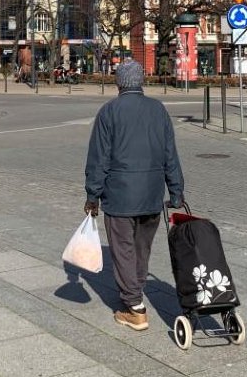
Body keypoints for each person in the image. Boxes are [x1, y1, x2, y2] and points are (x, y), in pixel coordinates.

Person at [84, 59, 185, 331]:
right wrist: (176, 191)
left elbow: (99, 159)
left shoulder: (109, 112)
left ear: (119, 82)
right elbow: (170, 155)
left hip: (119, 195)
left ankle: (135, 307)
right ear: (141, 81)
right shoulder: (158, 110)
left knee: (124, 250)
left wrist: (92, 195)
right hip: (152, 194)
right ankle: (134, 293)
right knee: (142, 249)